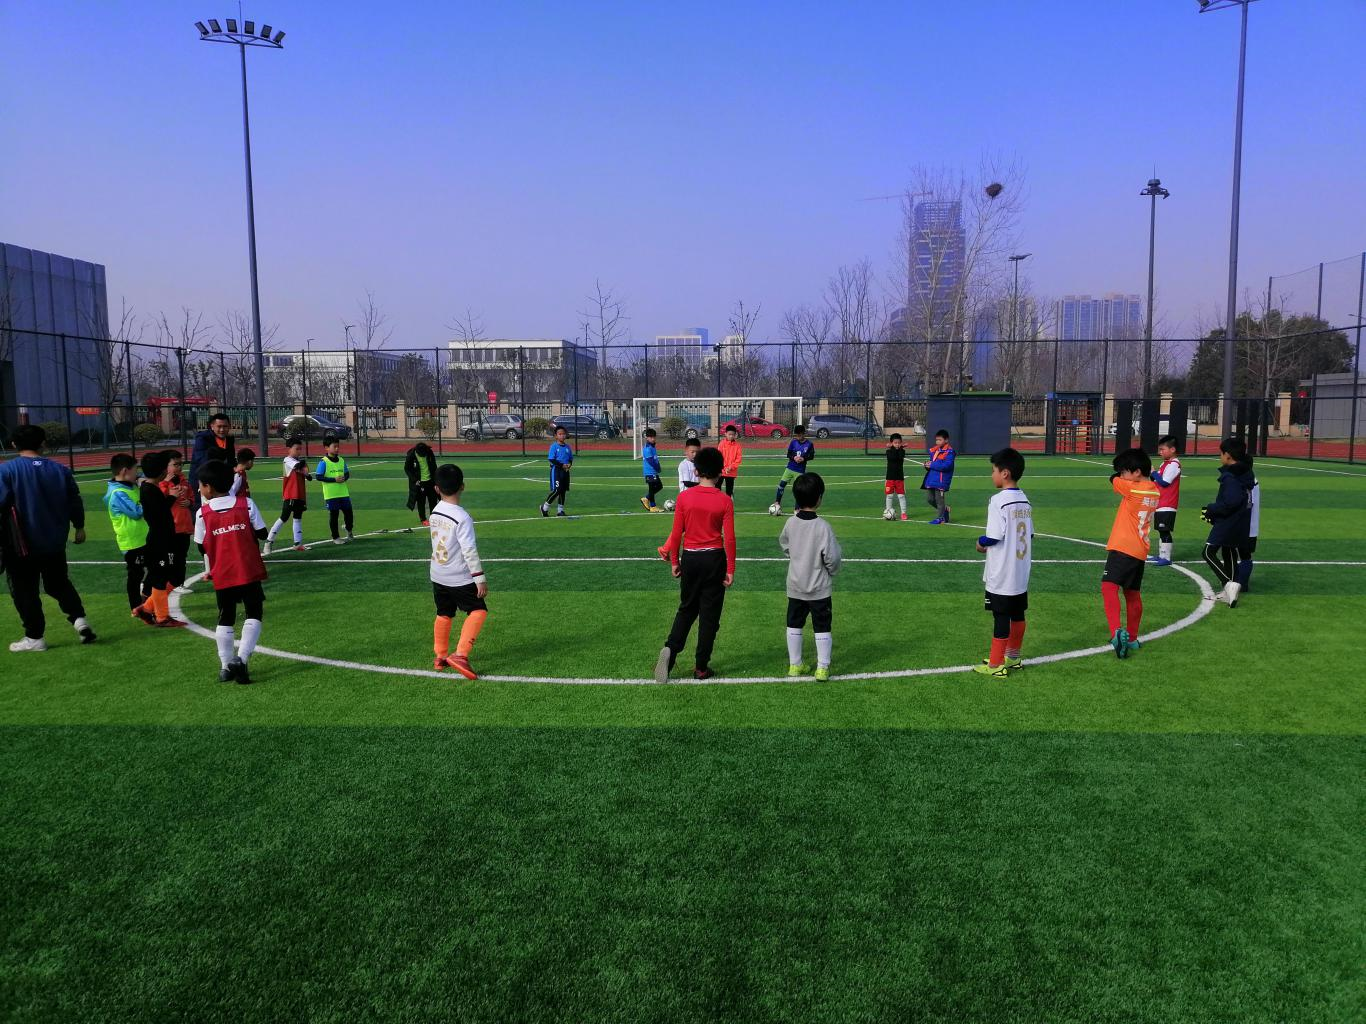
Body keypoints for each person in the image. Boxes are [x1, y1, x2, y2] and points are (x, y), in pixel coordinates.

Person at [0, 424, 95, 651]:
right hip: (54, 542)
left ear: (13, 444)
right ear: (43, 443)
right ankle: (79, 619)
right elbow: (74, 501)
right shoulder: (60, 470)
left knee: (25, 591)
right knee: (58, 583)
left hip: (20, 544)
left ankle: (35, 637)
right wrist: (79, 526)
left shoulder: (7, 470)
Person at [654, 446, 736, 682]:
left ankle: (671, 649)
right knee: (709, 616)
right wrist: (730, 569)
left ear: (696, 471)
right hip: (714, 559)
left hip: (690, 557)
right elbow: (729, 538)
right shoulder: (724, 501)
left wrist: (674, 561)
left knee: (687, 608)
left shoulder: (684, 498)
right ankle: (701, 667)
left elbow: (676, 533)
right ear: (720, 472)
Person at [194, 460, 268, 684]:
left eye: (200, 485)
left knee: (225, 617)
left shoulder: (202, 514)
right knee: (253, 612)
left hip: (223, 573)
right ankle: (241, 659)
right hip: (248, 570)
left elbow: (201, 547)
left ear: (208, 487)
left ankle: (225, 667)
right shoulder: (247, 504)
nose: (199, 489)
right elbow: (263, 533)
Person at [974, 448, 1033, 677]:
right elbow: (1029, 534)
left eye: (994, 471)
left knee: (1000, 616)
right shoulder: (1024, 499)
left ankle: (996, 664)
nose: (992, 475)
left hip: (1002, 571)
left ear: (1005, 473)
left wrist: (980, 543)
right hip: (1020, 571)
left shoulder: (998, 500)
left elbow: (993, 536)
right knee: (1017, 613)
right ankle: (1013, 657)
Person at [779, 472, 842, 680]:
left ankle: (795, 665)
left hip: (795, 584)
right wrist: (832, 571)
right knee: (822, 625)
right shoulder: (823, 527)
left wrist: (796, 556)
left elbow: (784, 544)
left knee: (794, 623)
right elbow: (832, 557)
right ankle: (822, 668)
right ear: (819, 498)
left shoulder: (790, 523)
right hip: (818, 588)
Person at [428, 463, 487, 679]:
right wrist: (479, 578)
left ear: (436, 489)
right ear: (462, 486)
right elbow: (469, 550)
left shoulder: (435, 511)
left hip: (437, 573)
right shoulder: (462, 517)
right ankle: (461, 654)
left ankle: (440, 656)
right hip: (458, 576)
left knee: (444, 613)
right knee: (478, 610)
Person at [1103, 448, 1160, 658]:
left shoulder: (1132, 488)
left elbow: (1112, 479)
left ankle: (1116, 632)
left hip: (1123, 546)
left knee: (1108, 587)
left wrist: (1119, 477)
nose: (1121, 475)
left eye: (1124, 471)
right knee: (1132, 593)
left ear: (1136, 472)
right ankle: (1133, 638)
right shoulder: (1154, 490)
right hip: (1140, 549)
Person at [1200, 437, 1256, 608]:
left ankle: (1228, 584)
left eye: (1221, 453)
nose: (1220, 456)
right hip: (1239, 521)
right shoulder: (1245, 473)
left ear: (1228, 455)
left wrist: (1212, 509)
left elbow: (1231, 501)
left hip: (1228, 521)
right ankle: (1229, 593)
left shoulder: (1231, 476)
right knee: (1228, 551)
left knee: (1208, 553)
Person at [135, 450, 186, 628]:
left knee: (169, 575)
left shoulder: (151, 488)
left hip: (163, 539)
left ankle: (146, 609)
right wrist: (171, 496)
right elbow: (160, 512)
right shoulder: (149, 490)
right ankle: (162, 617)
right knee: (160, 578)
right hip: (159, 541)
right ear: (162, 471)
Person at [103, 453, 153, 623]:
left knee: (157, 568)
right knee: (136, 575)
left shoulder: (130, 486)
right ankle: (136, 607)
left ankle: (145, 596)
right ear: (125, 471)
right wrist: (148, 495)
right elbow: (137, 512)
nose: (137, 473)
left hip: (144, 538)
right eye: (135, 470)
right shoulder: (118, 493)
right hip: (132, 542)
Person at [264, 436, 312, 555]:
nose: (299, 451)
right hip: (291, 494)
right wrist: (304, 467)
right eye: (297, 449)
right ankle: (268, 542)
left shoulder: (298, 461)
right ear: (289, 449)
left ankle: (298, 544)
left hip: (300, 495)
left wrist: (305, 469)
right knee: (284, 517)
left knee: (297, 518)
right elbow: (300, 467)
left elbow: (308, 475)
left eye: (300, 449)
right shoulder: (287, 460)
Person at [159, 450, 195, 593]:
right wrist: (166, 483)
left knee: (182, 557)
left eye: (181, 464)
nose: (179, 467)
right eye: (175, 464)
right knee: (170, 559)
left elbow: (192, 496)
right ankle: (165, 583)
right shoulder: (161, 483)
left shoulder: (184, 481)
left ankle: (179, 583)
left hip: (184, 527)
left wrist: (189, 502)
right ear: (166, 466)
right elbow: (159, 501)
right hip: (170, 528)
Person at [1148, 435, 1182, 565]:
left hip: (1168, 503)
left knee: (1164, 530)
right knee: (1161, 530)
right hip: (1161, 502)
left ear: (1172, 449)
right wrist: (1152, 475)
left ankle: (1166, 558)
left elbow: (1165, 482)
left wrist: (1153, 473)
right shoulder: (1165, 464)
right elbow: (1157, 481)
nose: (1160, 452)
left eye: (1162, 449)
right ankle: (1162, 555)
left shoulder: (1174, 465)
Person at [316, 434, 354, 545]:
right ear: (326, 448)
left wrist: (344, 478)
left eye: (338, 446)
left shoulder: (341, 460)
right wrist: (334, 479)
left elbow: (347, 473)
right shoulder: (323, 462)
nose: (337, 449)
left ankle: (349, 530)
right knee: (334, 516)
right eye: (334, 446)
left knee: (349, 514)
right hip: (331, 494)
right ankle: (336, 537)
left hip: (343, 493)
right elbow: (318, 476)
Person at [188, 412, 235, 497]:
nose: (222, 430)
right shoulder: (202, 438)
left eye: (225, 426)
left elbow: (231, 460)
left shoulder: (230, 440)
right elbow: (202, 460)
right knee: (202, 505)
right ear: (212, 426)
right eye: (219, 426)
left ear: (229, 426)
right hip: (203, 481)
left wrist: (235, 468)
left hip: (220, 482)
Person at [773, 425, 814, 510]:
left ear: (803, 434)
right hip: (790, 468)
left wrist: (803, 458)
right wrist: (794, 457)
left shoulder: (809, 444)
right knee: (781, 485)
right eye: (796, 435)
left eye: (799, 435)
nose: (797, 437)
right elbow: (789, 454)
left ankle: (797, 509)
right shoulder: (793, 442)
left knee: (798, 489)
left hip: (800, 470)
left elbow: (811, 456)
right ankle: (777, 503)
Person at [921, 429, 955, 524]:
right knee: (930, 499)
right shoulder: (935, 451)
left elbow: (946, 466)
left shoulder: (950, 452)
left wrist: (932, 465)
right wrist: (927, 465)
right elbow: (933, 465)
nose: (937, 442)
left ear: (946, 440)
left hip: (941, 481)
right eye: (936, 440)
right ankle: (945, 509)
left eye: (940, 440)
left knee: (939, 501)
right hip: (932, 479)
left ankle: (941, 518)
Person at [541, 426, 572, 517]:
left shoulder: (568, 447)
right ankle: (544, 508)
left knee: (563, 491)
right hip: (556, 471)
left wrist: (569, 464)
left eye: (563, 434)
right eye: (560, 434)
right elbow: (551, 459)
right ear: (556, 436)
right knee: (557, 490)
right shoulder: (554, 446)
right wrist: (562, 465)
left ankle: (560, 511)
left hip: (565, 471)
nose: (562, 436)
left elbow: (570, 459)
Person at [404, 442, 438, 526]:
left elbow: (434, 465)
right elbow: (407, 469)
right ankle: (423, 519)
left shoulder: (429, 452)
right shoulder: (411, 455)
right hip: (420, 483)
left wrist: (436, 479)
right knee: (421, 502)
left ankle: (433, 517)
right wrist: (414, 480)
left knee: (433, 500)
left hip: (431, 481)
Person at [884, 433, 908, 521]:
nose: (897, 444)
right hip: (890, 478)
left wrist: (901, 448)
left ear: (901, 443)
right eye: (895, 443)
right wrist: (892, 448)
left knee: (901, 496)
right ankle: (888, 510)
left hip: (899, 478)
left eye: (899, 443)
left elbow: (899, 457)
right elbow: (893, 457)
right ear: (891, 443)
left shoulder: (902, 451)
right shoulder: (888, 451)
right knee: (889, 496)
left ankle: (903, 513)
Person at [640, 427, 664, 512]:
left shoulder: (652, 447)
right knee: (654, 487)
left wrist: (658, 466)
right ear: (647, 438)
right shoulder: (647, 448)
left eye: (654, 437)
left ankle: (649, 502)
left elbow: (655, 459)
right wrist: (658, 468)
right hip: (649, 472)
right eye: (651, 437)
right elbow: (651, 461)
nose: (653, 439)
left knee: (658, 486)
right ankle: (651, 504)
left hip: (653, 471)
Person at [718, 423, 743, 497]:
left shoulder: (738, 446)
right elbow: (718, 457)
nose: (731, 436)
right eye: (729, 434)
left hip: (731, 472)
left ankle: (728, 502)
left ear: (735, 435)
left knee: (729, 490)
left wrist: (730, 467)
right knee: (717, 488)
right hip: (721, 471)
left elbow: (738, 459)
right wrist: (723, 467)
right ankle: (717, 502)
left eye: (733, 434)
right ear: (725, 434)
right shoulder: (721, 444)